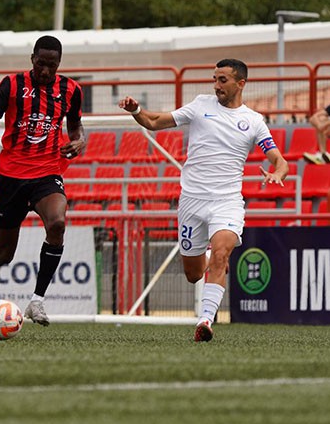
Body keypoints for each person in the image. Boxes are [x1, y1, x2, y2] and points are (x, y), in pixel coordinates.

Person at [118, 58, 289, 342]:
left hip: (227, 202)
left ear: (240, 83)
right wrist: (136, 109)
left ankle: (205, 321)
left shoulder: (254, 122)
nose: (217, 85)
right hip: (192, 202)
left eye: (223, 80)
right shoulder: (200, 105)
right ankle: (209, 259)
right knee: (193, 274)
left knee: (222, 254)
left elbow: (279, 161)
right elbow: (154, 121)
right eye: (215, 79)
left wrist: (276, 173)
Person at [0, 35, 85, 326]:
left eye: (52, 65)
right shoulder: (11, 85)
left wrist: (79, 142)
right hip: (12, 176)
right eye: (41, 64)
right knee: (5, 252)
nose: (46, 71)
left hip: (48, 172)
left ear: (59, 63)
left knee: (58, 223)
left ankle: (37, 301)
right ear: (32, 59)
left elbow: (75, 128)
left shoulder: (71, 90)